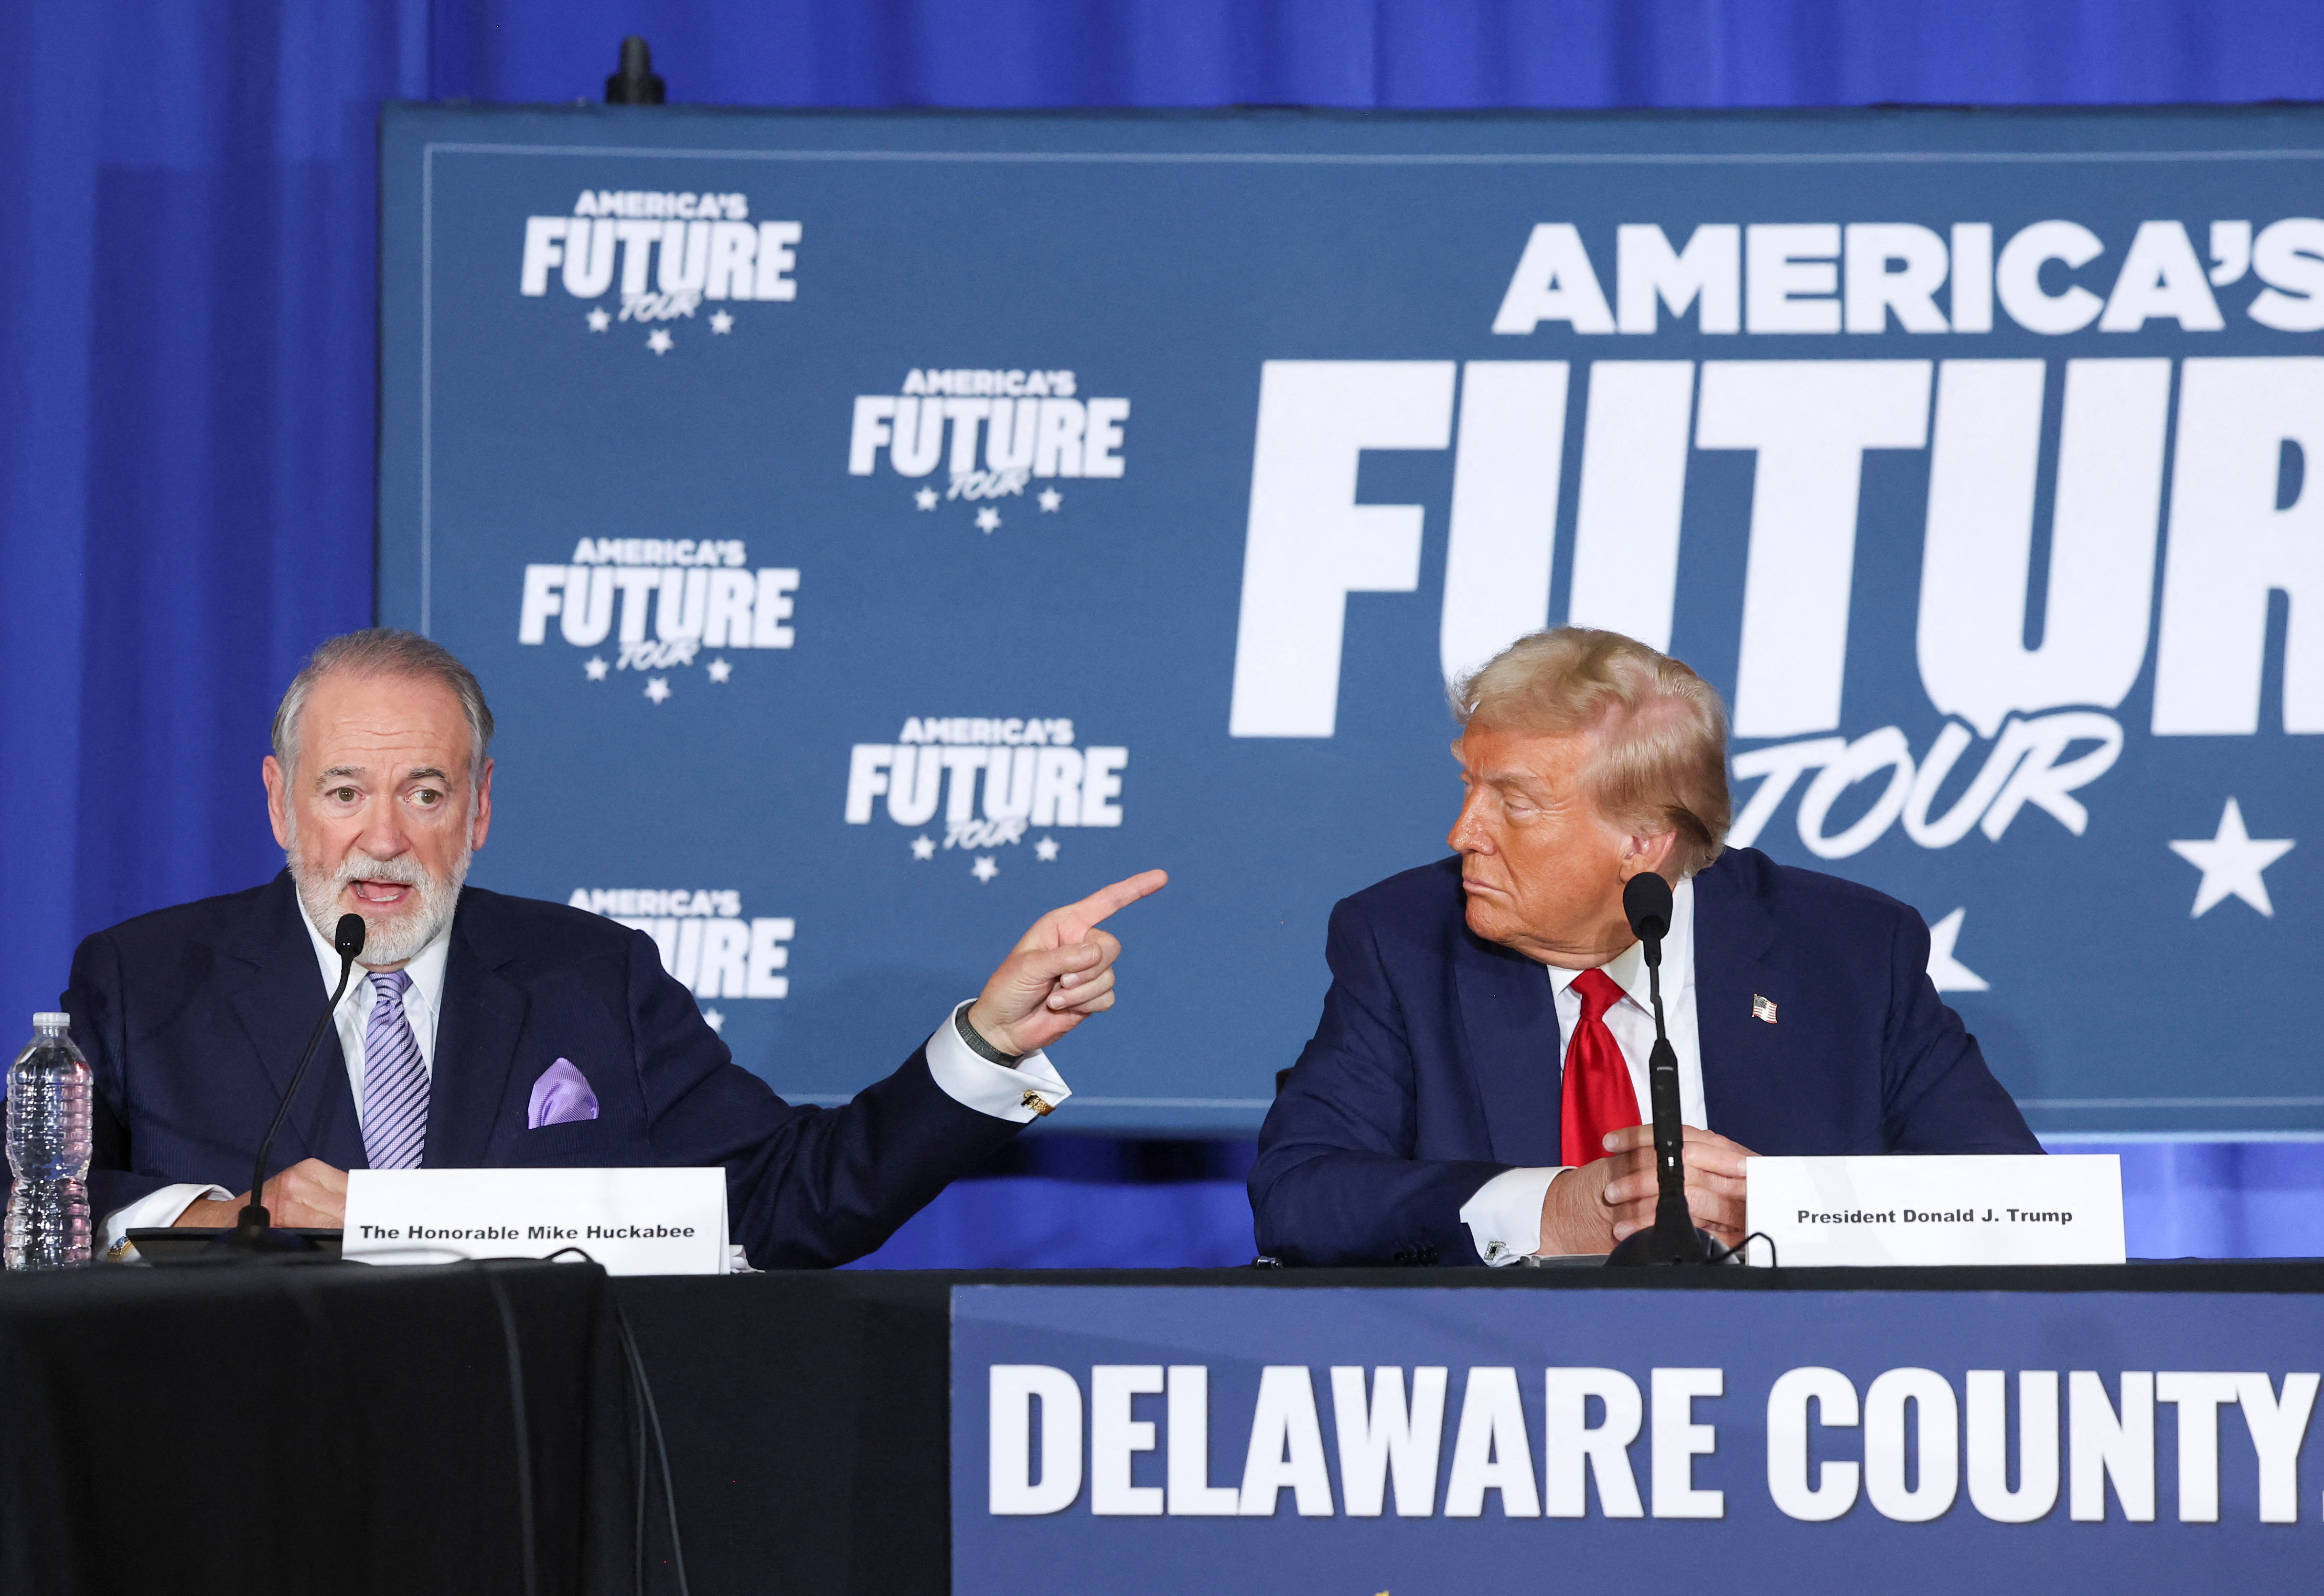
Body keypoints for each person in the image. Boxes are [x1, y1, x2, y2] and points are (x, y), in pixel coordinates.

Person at [63, 628, 1166, 1268]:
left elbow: (788, 1199)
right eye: (345, 791)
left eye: (426, 791)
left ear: (481, 807)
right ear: (279, 801)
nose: (384, 837)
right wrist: (216, 1218)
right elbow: (38, 1198)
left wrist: (986, 1040)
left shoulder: (592, 975)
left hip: (532, 1494)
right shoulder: (148, 978)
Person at [1250, 626, 2035, 1268]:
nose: (1464, 835)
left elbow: (2023, 1210)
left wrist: (1786, 1214)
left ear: (1643, 841)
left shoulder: (1849, 953)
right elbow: (1300, 1195)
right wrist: (1549, 1211)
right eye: (1468, 784)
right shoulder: (1405, 938)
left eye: (1512, 801)